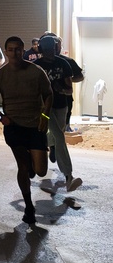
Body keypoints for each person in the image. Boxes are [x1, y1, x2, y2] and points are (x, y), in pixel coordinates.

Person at [0, 36, 58, 226]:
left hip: (36, 125)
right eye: (10, 49)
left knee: (40, 171)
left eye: (18, 49)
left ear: (23, 50)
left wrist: (45, 116)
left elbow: (49, 95)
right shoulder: (1, 75)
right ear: (6, 52)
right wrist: (0, 117)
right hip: (13, 126)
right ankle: (28, 206)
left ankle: (33, 165)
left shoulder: (36, 71)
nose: (14, 52)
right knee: (23, 167)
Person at [35, 35, 83, 190]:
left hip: (61, 105)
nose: (50, 52)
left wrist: (60, 89)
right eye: (46, 48)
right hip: (44, 107)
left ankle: (47, 144)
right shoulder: (36, 66)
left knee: (57, 133)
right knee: (60, 136)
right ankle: (69, 176)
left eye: (52, 48)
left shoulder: (63, 64)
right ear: (42, 49)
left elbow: (69, 90)